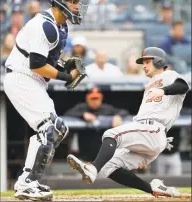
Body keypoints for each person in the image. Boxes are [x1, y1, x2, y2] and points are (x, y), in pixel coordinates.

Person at [67, 47, 189, 198]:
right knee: (108, 167)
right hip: (147, 134)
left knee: (111, 134)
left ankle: (92, 169)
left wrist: (163, 90)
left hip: (153, 128)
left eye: (147, 62)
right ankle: (153, 189)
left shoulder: (168, 75)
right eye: (143, 62)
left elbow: (183, 86)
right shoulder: (150, 84)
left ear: (159, 61)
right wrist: (140, 145)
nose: (144, 65)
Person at [3, 0, 88, 200]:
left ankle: (28, 180)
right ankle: (26, 184)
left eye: (78, 2)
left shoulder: (60, 27)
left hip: (33, 81)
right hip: (22, 78)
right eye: (73, 2)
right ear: (60, 2)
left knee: (58, 129)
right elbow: (37, 64)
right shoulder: (45, 26)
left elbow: (48, 62)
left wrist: (62, 67)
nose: (77, 7)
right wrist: (66, 76)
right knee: (48, 129)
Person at [65, 87, 129, 160]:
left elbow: (124, 112)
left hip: (102, 145)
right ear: (87, 99)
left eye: (97, 98)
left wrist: (118, 116)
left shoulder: (106, 108)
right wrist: (83, 115)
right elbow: (67, 113)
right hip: (86, 146)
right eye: (92, 99)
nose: (95, 101)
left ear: (101, 99)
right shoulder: (82, 108)